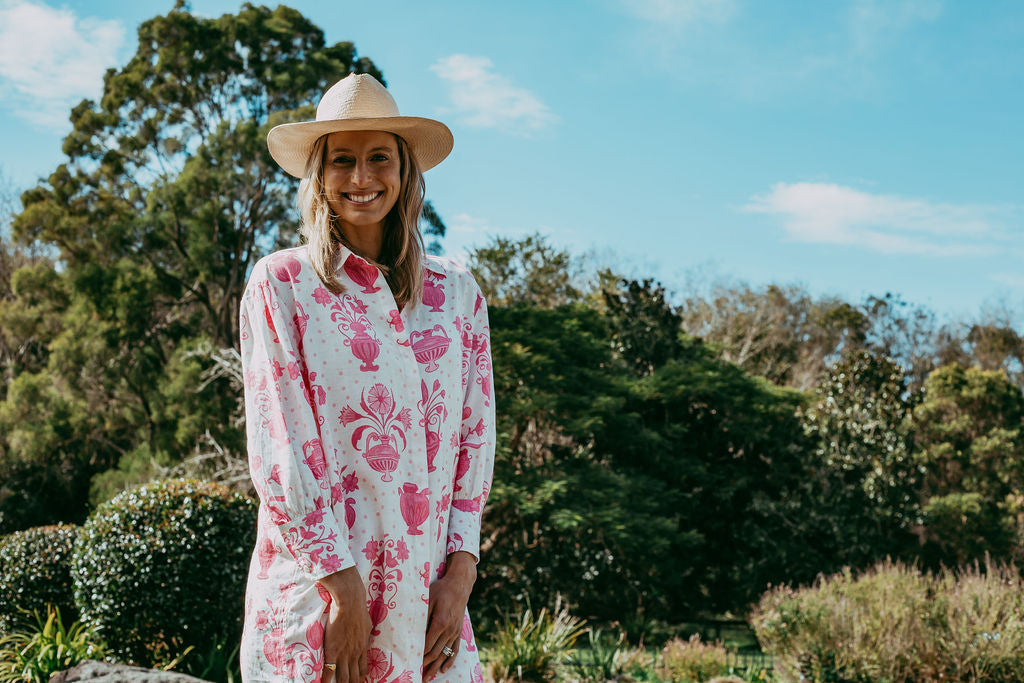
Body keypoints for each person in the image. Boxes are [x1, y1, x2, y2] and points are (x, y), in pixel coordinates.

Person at [238, 72, 495, 683]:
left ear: (405, 170)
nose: (361, 178)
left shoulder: (456, 294)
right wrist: (343, 590)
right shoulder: (283, 286)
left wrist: (461, 573)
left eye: (379, 157)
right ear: (318, 176)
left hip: (428, 604)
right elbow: (281, 450)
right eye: (342, 160)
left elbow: (474, 440)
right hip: (317, 599)